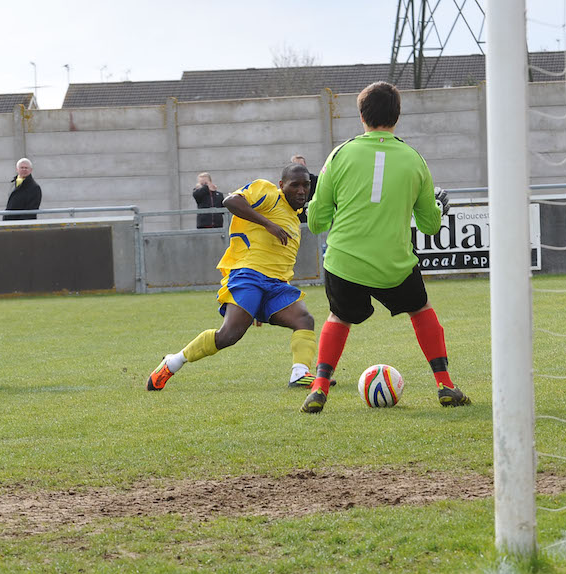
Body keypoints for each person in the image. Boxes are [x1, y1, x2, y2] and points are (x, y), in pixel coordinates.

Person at [300, 81, 470, 414]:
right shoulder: (415, 159)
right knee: (420, 309)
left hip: (344, 262)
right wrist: (438, 208)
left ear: (361, 115)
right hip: (394, 264)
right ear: (397, 116)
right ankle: (445, 384)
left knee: (339, 315)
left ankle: (319, 388)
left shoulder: (340, 154)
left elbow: (317, 223)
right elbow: (430, 226)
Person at [146, 163, 323, 392]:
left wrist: (263, 306)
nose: (301, 191)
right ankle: (173, 362)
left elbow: (279, 261)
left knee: (304, 320)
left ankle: (300, 373)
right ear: (282, 185)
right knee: (229, 335)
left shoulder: (294, 217)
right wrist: (268, 224)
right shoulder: (267, 192)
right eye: (295, 185)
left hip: (276, 285)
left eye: (306, 186)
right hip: (248, 275)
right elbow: (230, 201)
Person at [290, 154, 317, 224]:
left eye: (301, 165)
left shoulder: (315, 180)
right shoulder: (288, 183)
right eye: (296, 165)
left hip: (313, 216)